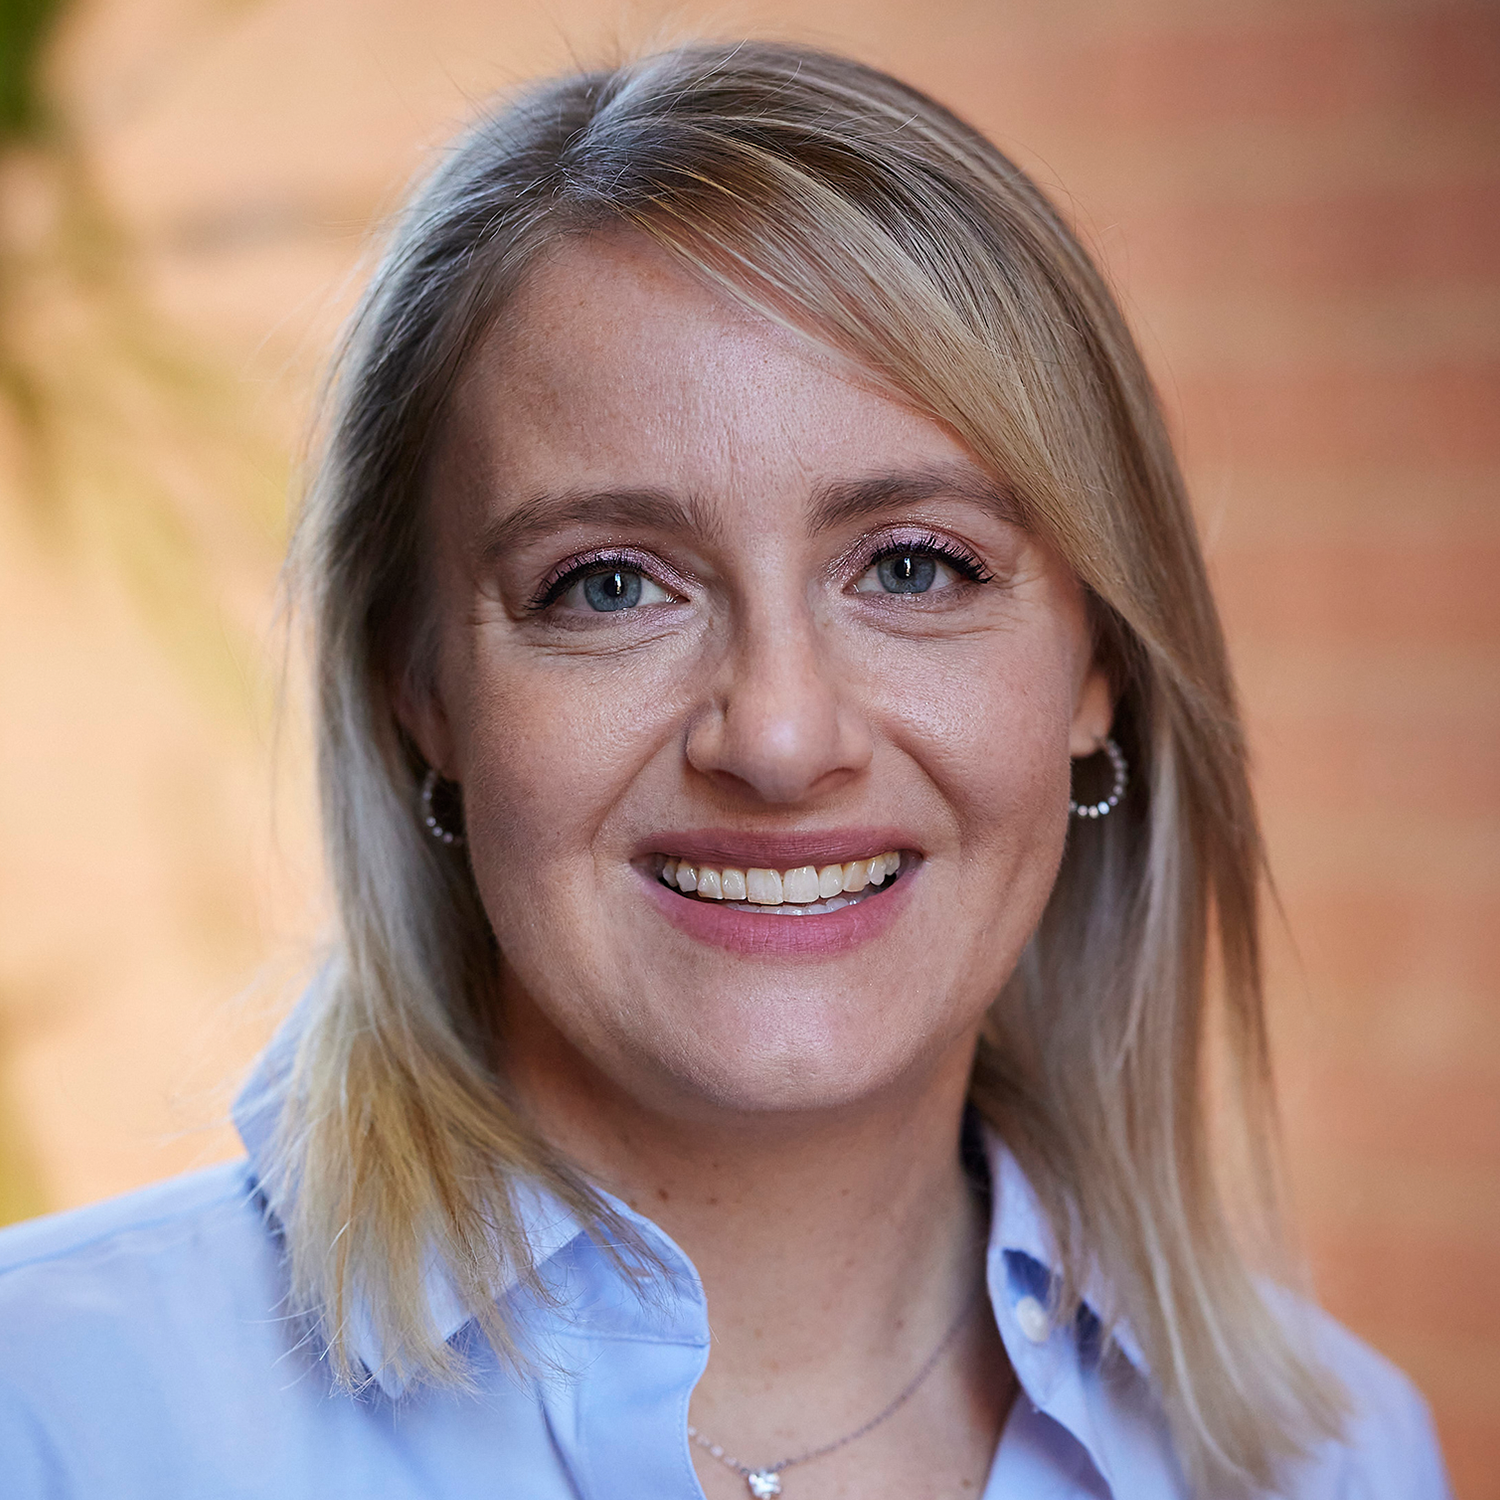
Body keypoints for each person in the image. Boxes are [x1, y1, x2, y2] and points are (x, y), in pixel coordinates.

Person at [0, 40, 1451, 1500]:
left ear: (1098, 671)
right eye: (611, 587)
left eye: (913, 564)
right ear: (418, 692)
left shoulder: (1334, 1462)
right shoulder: (50, 1411)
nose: (776, 735)